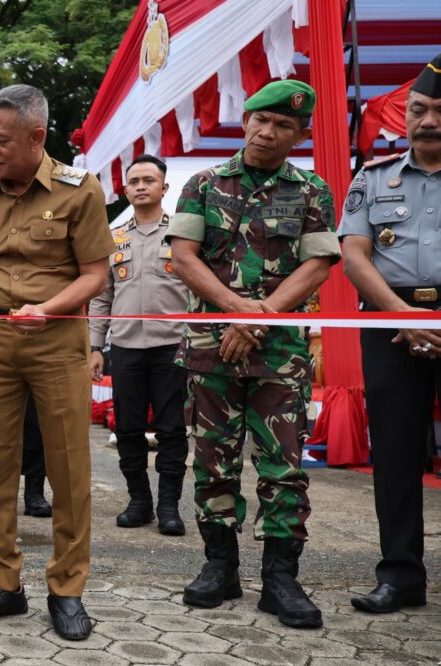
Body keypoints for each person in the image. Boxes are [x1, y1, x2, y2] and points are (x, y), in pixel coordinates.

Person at [166, 79, 339, 629]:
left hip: (279, 354)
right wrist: (236, 312)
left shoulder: (312, 190)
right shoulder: (201, 184)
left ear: (300, 133)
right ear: (246, 121)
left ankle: (281, 580)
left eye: (283, 126)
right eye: (261, 121)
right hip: (210, 347)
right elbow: (184, 256)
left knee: (283, 467)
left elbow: (317, 265)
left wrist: (256, 321)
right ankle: (219, 567)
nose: (269, 132)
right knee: (213, 459)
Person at [0, 84, 113, 640]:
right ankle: (2, 583)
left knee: (69, 467)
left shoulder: (80, 190)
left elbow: (95, 273)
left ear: (37, 136)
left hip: (56, 340)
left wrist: (49, 307)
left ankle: (67, 588)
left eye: (1, 140)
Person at [341, 53, 441, 614]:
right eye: (418, 110)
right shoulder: (372, 177)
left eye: (437, 112)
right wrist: (403, 316)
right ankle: (400, 576)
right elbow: (354, 255)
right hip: (390, 325)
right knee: (397, 456)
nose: (427, 120)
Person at [88, 154, 189, 536]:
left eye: (150, 180)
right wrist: (95, 346)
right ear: (125, 189)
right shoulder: (112, 238)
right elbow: (100, 296)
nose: (142, 186)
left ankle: (168, 507)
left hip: (172, 347)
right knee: (127, 428)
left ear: (164, 188)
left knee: (171, 430)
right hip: (126, 346)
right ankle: (139, 501)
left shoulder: (183, 233)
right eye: (135, 181)